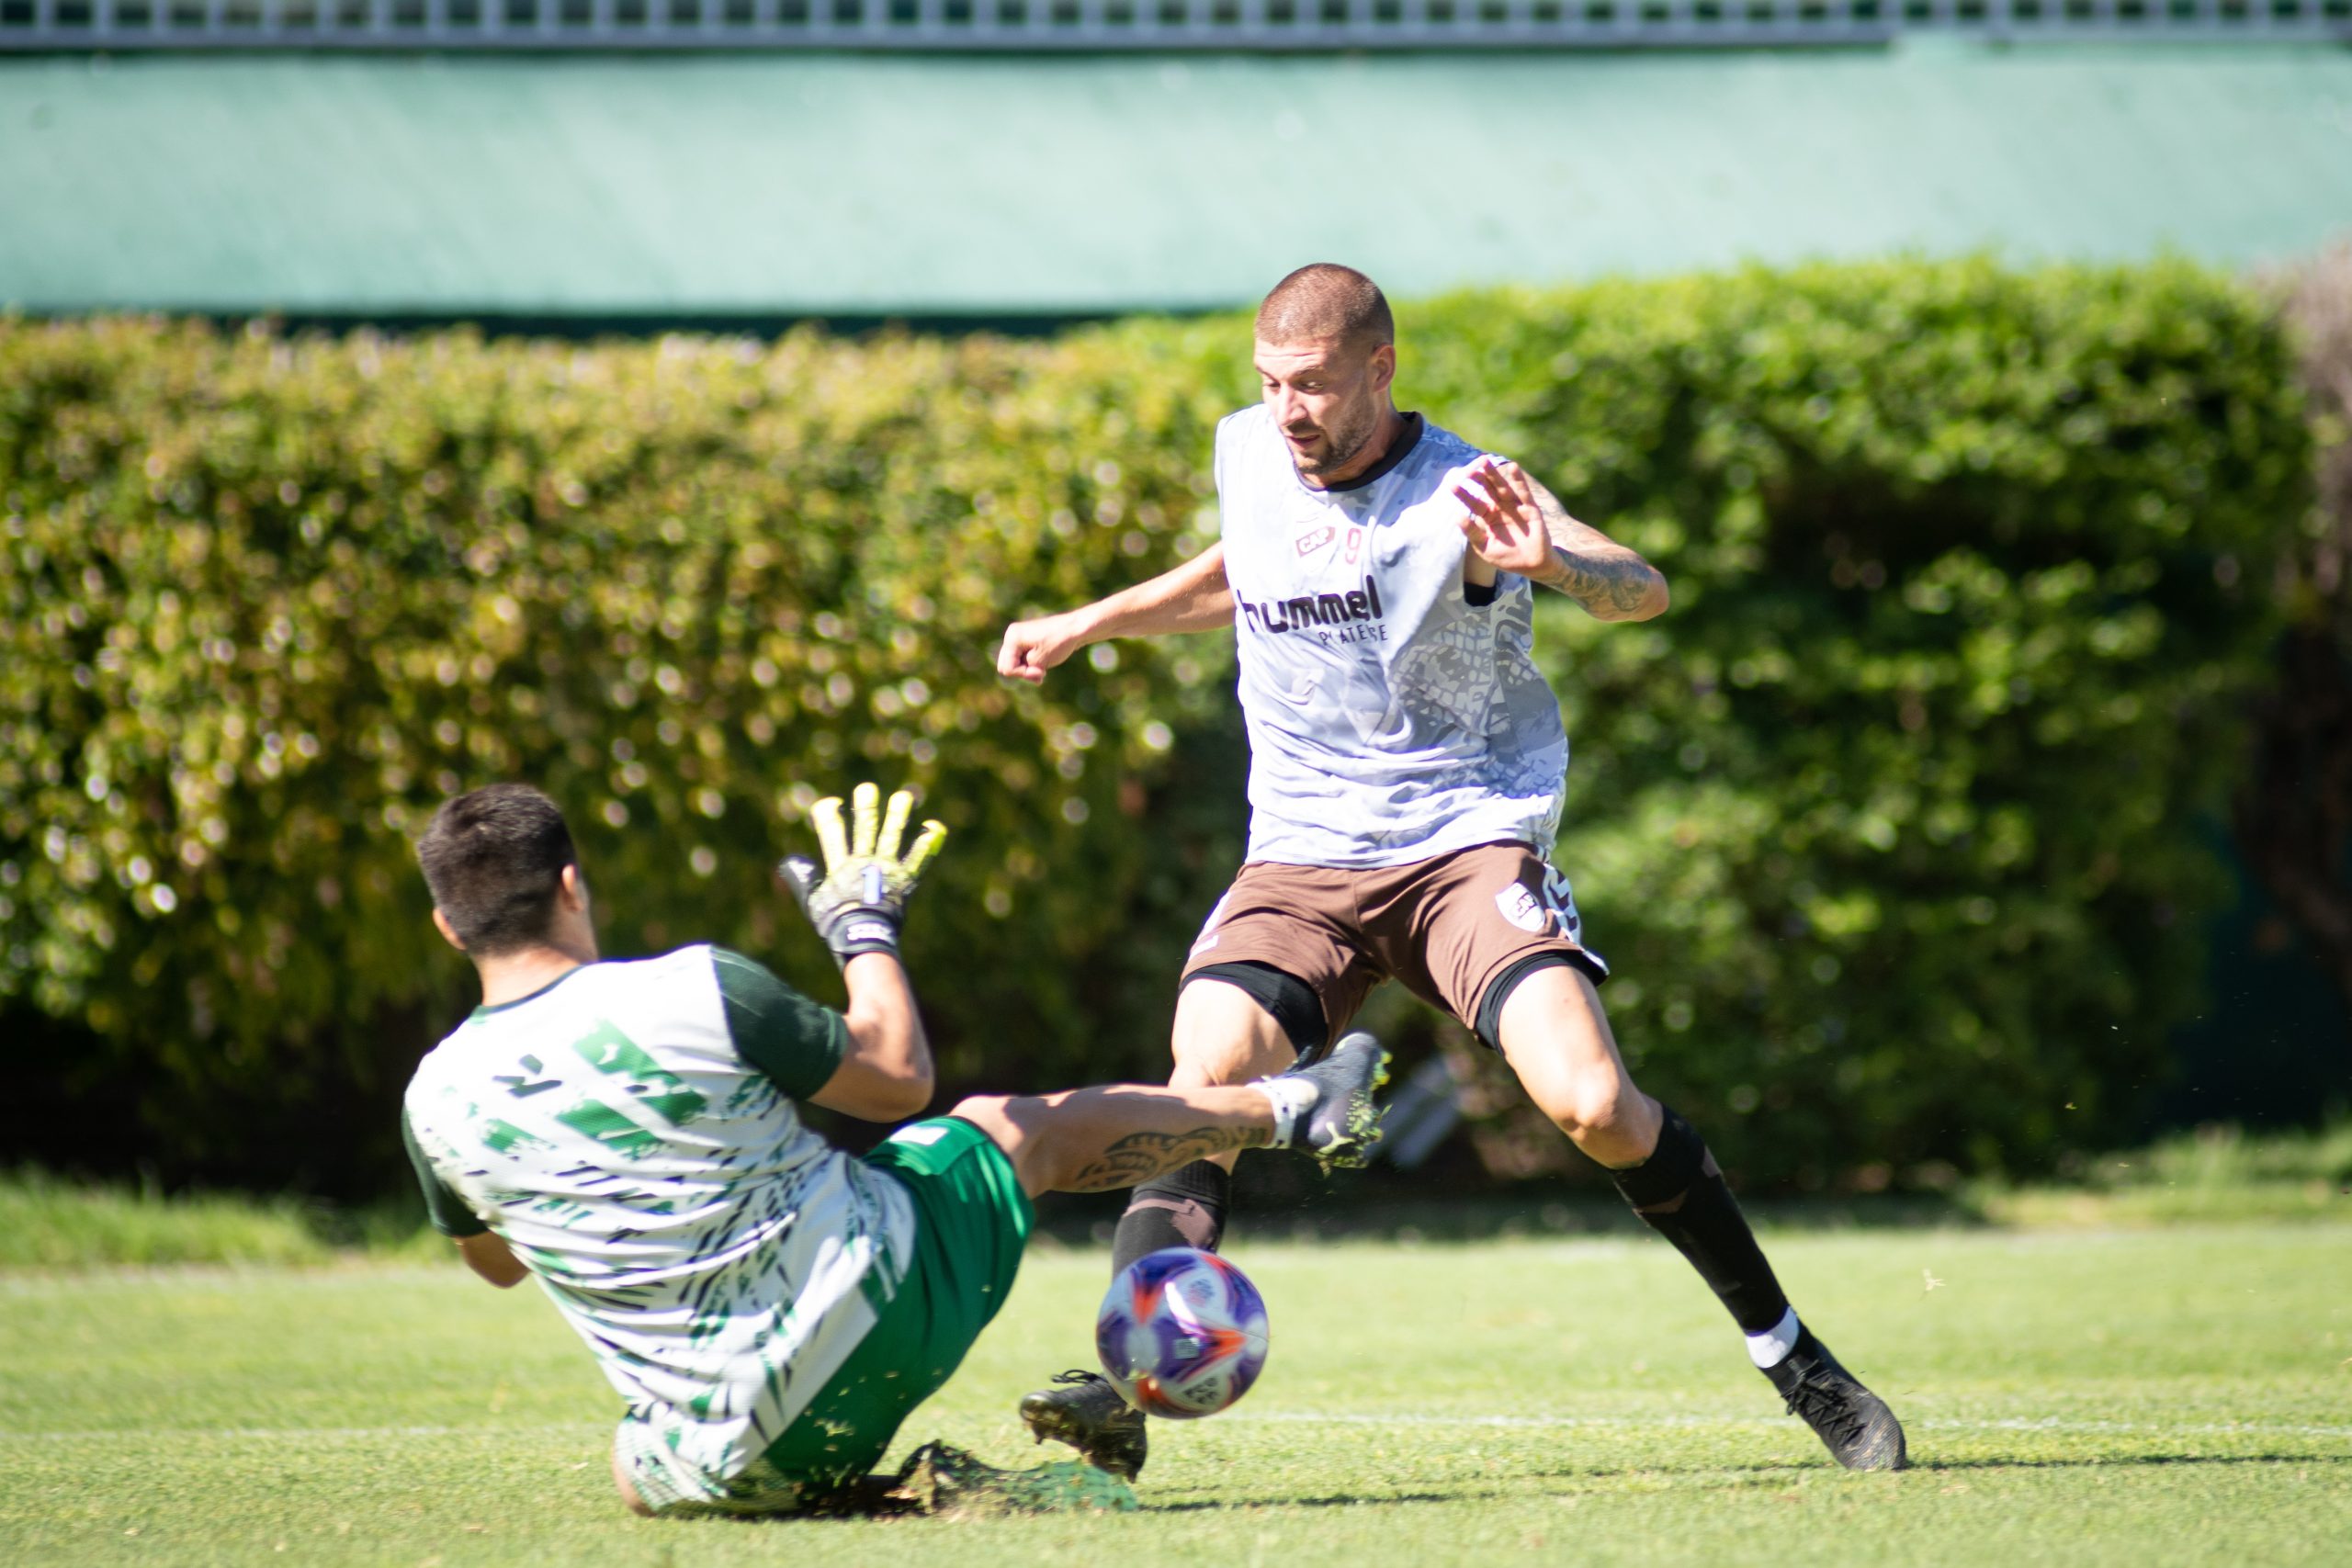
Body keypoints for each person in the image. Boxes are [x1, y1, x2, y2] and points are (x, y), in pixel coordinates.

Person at [996, 263, 1905, 1477]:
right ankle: (1127, 1385)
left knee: (1593, 1106)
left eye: (1314, 384)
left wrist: (1555, 563)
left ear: (1380, 367)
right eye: (1271, 384)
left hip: (1459, 844)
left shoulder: (1470, 489)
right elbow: (1244, 570)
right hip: (1301, 856)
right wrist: (1090, 618)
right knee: (1203, 1075)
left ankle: (1799, 1362)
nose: (1290, 410)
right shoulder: (1252, 452)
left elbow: (1643, 584)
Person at [401, 779, 1390, 1517]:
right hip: (873, 1313)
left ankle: (871, 1497)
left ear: (447, 927)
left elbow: (493, 1263)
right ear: (572, 886)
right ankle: (1290, 1106)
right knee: (1009, 1128)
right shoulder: (692, 989)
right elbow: (894, 1079)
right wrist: (862, 928)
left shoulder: (433, 1101)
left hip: (715, 1454)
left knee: (633, 1470)